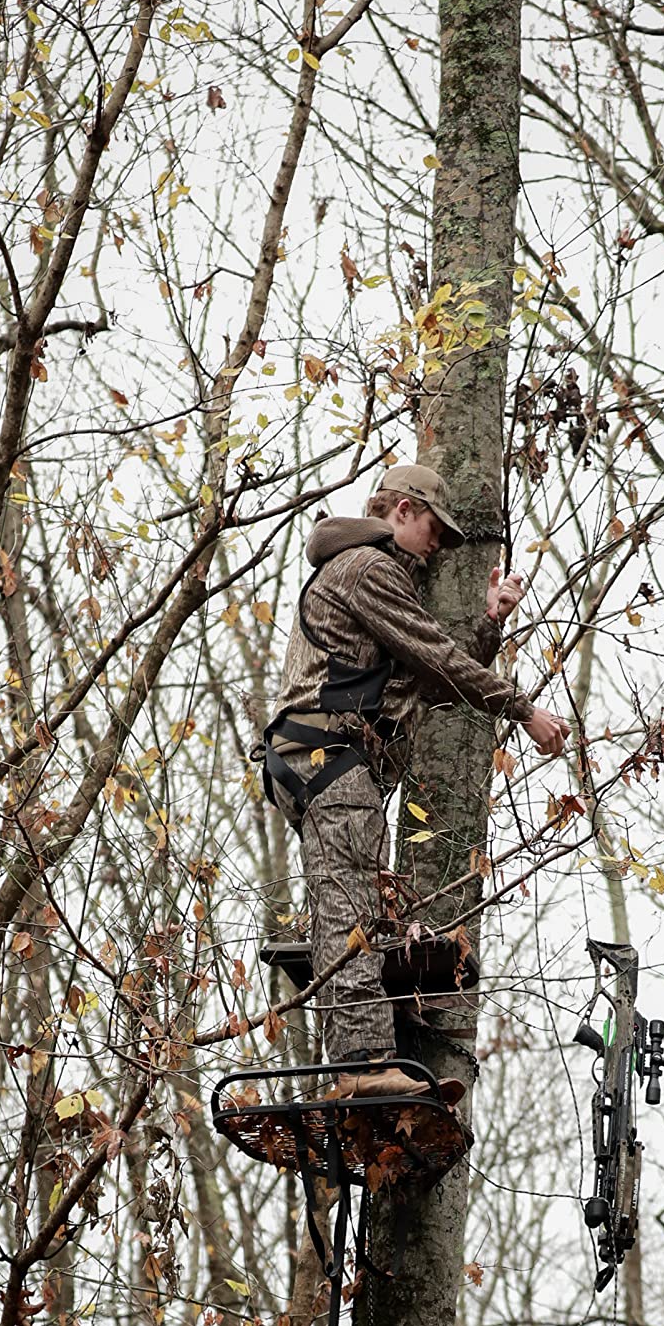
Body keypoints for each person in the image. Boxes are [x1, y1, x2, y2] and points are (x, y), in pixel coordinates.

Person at [258, 462, 571, 1100]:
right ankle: (365, 1067)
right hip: (327, 755)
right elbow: (435, 656)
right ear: (401, 510)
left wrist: (489, 623)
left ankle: (362, 1063)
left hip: (328, 761)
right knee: (350, 912)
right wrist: (525, 709)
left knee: (351, 906)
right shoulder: (369, 569)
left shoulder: (374, 575)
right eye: (434, 528)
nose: (437, 546)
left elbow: (429, 680)